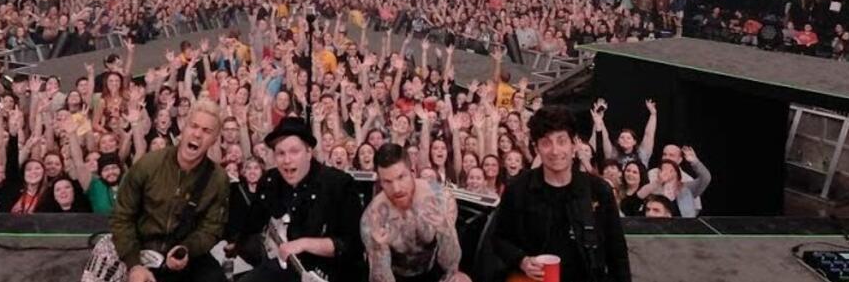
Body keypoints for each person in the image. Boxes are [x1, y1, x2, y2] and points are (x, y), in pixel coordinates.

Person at [487, 106, 630, 282]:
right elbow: (499, 238)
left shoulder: (599, 190)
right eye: (546, 143)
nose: (555, 151)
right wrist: (521, 260)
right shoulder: (518, 189)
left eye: (561, 141)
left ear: (574, 144)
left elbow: (617, 254)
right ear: (536, 147)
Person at [112, 99, 231, 282]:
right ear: (183, 127)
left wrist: (186, 249)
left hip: (184, 253)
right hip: (140, 251)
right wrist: (133, 264)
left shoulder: (218, 179)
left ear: (215, 139)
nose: (198, 134)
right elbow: (122, 217)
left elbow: (211, 229)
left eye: (207, 131)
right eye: (194, 126)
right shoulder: (148, 165)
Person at [239, 117, 366, 282]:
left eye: (294, 151)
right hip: (286, 267)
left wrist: (304, 244)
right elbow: (252, 226)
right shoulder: (270, 181)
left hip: (334, 271)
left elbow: (351, 245)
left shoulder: (339, 184)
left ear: (308, 153)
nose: (287, 160)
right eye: (280, 153)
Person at [361, 143, 471, 282]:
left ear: (412, 172)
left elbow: (451, 265)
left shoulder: (440, 197)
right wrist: (378, 249)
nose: (396, 189)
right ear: (380, 182)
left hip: (433, 271)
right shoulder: (374, 217)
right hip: (396, 276)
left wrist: (445, 229)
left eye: (401, 177)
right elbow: (380, 278)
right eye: (387, 182)